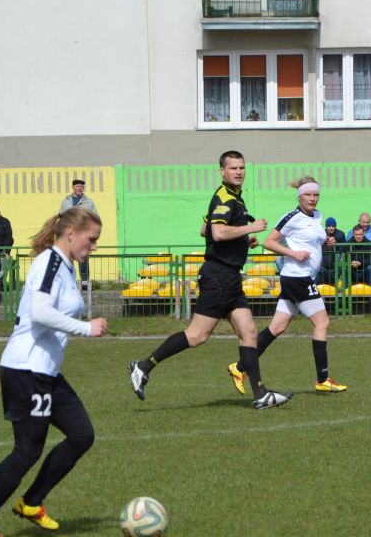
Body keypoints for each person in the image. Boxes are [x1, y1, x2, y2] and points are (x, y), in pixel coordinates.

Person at [0, 206, 108, 537]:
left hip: (46, 372)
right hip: (25, 369)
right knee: (27, 451)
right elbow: (39, 312)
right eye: (91, 239)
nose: (94, 246)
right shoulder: (49, 263)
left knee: (81, 434)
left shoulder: (65, 266)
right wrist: (85, 328)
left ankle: (31, 502)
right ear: (71, 234)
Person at [129, 150, 290, 410]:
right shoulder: (225, 197)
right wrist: (250, 228)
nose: (239, 172)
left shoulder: (231, 197)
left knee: (249, 332)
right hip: (219, 277)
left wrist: (241, 240)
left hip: (229, 277)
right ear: (222, 171)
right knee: (197, 335)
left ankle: (260, 394)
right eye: (233, 168)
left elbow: (205, 229)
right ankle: (143, 366)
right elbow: (217, 232)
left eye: (242, 167)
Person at [229, 176, 347, 394]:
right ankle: (322, 379)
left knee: (277, 327)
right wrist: (293, 253)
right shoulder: (292, 217)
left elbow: (311, 243)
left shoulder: (317, 216)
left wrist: (326, 243)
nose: (312, 198)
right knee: (322, 322)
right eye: (308, 195)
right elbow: (269, 242)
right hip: (297, 277)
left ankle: (240, 367)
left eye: (316, 195)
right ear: (299, 196)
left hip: (299, 277)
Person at [59, 179, 97, 283]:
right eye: (77, 186)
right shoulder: (66, 202)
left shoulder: (89, 202)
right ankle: (69, 282)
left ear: (83, 188)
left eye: (81, 186)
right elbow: (61, 218)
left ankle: (84, 282)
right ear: (73, 187)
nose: (79, 188)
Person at [318, 216, 346, 286]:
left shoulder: (341, 234)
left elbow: (342, 248)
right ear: (326, 226)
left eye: (333, 226)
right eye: (329, 226)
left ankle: (337, 279)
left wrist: (335, 241)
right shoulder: (322, 233)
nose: (331, 228)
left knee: (339, 258)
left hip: (335, 260)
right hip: (325, 260)